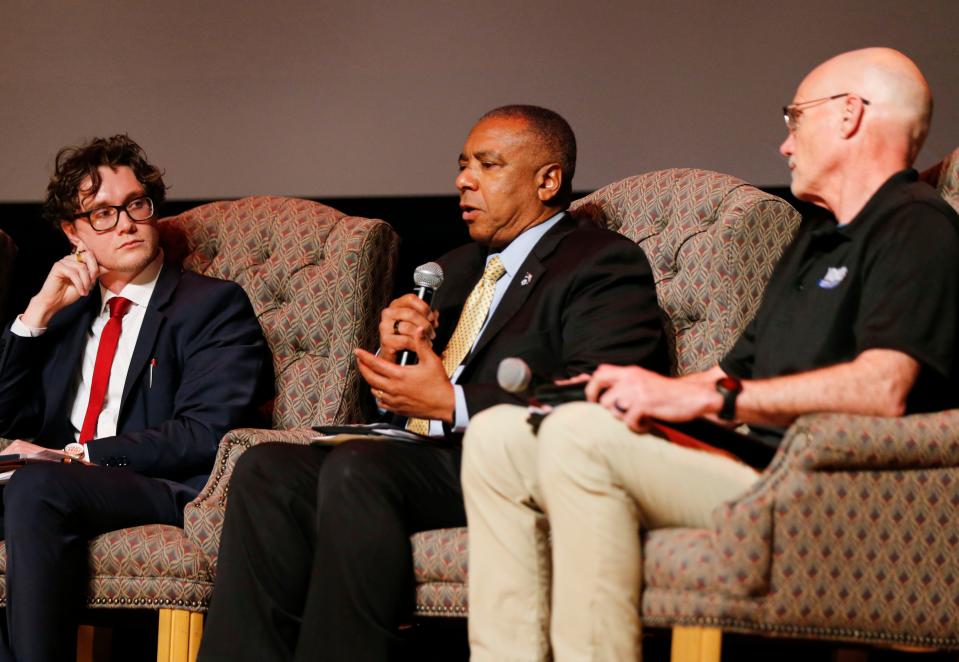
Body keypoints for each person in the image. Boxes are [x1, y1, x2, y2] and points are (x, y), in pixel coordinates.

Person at [461, 48, 959, 661]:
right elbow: (733, 373)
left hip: (831, 485)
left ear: (850, 114)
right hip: (755, 465)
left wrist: (713, 396)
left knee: (578, 438)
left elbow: (883, 388)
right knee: (498, 439)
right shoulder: (815, 239)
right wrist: (645, 390)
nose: (784, 145)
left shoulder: (916, 227)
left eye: (794, 118)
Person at [198, 105, 668, 661]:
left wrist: (455, 402)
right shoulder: (454, 268)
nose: (463, 181)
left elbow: (600, 392)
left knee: (359, 470)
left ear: (548, 180)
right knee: (267, 468)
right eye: (463, 164)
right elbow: (408, 398)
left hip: (514, 460)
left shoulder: (600, 263)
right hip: (422, 454)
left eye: (488, 166)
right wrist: (397, 355)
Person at [0, 135, 274, 661]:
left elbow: (205, 432)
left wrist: (84, 456)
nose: (125, 222)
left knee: (36, 487)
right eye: (101, 214)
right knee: (32, 485)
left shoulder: (211, 305)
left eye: (135, 205)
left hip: (159, 487)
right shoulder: (68, 314)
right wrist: (35, 314)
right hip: (56, 482)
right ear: (72, 233)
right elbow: (8, 417)